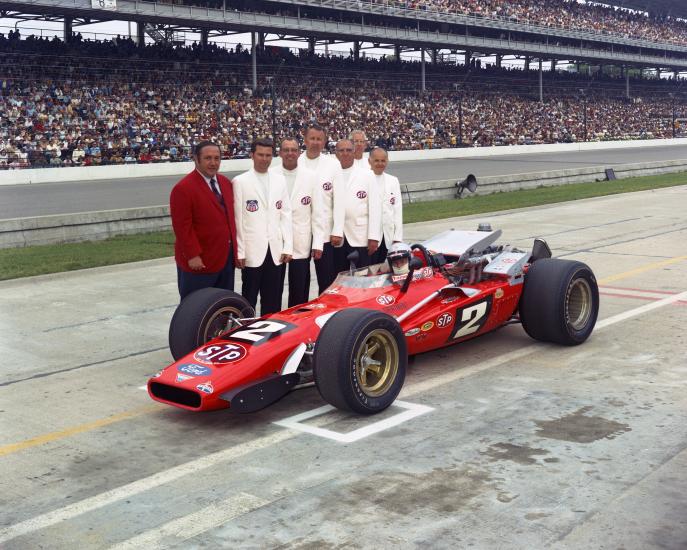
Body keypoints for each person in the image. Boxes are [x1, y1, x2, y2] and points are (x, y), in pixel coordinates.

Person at [170, 141, 237, 300]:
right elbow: (182, 227)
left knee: (222, 306)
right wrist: (193, 255)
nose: (213, 163)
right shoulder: (183, 188)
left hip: (225, 260)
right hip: (199, 263)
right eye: (208, 158)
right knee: (196, 308)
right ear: (196, 159)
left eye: (217, 158)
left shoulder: (226, 183)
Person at [233, 138, 293, 315]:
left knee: (273, 299)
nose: (264, 158)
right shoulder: (240, 181)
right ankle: (246, 332)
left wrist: (288, 245)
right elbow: (239, 219)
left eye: (268, 155)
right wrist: (240, 251)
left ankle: (271, 335)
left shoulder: (279, 180)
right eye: (260, 154)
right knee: (248, 299)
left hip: (275, 250)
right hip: (252, 251)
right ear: (252, 155)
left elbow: (286, 215)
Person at [272, 137, 323, 307]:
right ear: (280, 153)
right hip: (277, 240)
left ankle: (296, 323)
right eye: (286, 150)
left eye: (293, 150)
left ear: (299, 153)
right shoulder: (272, 174)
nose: (290, 153)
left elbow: (317, 213)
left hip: (301, 240)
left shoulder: (311, 176)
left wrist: (317, 243)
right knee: (274, 288)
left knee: (300, 288)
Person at [299, 124, 343, 294]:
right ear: (305, 140)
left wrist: (337, 230)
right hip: (301, 231)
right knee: (301, 278)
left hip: (325, 232)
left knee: (326, 278)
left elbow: (339, 200)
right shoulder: (296, 162)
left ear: (324, 142)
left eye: (319, 139)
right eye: (312, 138)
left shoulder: (333, 165)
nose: (315, 142)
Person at [332, 139, 381, 272]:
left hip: (361, 237)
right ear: (336, 154)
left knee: (362, 277)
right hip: (337, 237)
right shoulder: (330, 174)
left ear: (354, 152)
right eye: (341, 150)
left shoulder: (368, 175)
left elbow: (375, 208)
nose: (345, 153)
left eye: (349, 150)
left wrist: (373, 237)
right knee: (339, 278)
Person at [368, 147, 403, 264]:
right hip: (370, 238)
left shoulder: (393, 180)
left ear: (387, 161)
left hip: (388, 237)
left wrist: (397, 238)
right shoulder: (364, 179)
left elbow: (397, 210)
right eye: (376, 160)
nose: (380, 164)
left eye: (383, 161)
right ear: (370, 161)